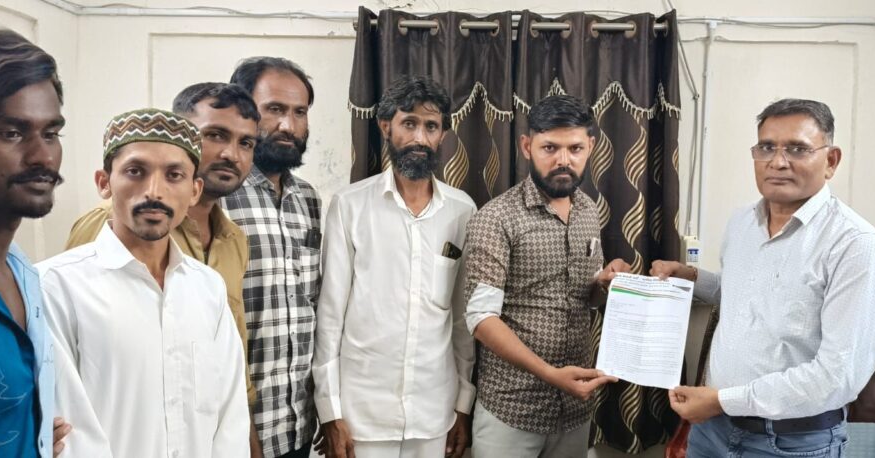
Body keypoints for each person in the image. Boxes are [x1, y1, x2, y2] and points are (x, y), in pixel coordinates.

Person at [652, 99, 875, 457]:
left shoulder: (858, 248)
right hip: (712, 432)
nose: (778, 161)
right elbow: (743, 295)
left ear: (831, 161)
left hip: (789, 443)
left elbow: (837, 378)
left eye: (798, 149)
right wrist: (690, 276)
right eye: (767, 147)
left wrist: (723, 400)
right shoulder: (742, 223)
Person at [63, 81, 264, 455]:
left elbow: (227, 383)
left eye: (245, 143)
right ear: (105, 183)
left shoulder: (226, 253)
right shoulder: (79, 259)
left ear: (193, 187)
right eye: (216, 135)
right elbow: (69, 407)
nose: (231, 154)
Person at [312, 76, 476, 458]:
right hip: (362, 414)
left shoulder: (462, 210)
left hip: (434, 412)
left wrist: (463, 404)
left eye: (431, 126)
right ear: (386, 126)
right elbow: (330, 316)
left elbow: (462, 321)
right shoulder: (350, 205)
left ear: (442, 135)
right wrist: (330, 410)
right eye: (409, 123)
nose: (420, 137)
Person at [463, 95, 629, 457]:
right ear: (527, 146)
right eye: (550, 148)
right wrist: (550, 374)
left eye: (575, 148)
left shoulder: (588, 211)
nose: (563, 160)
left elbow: (587, 297)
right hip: (512, 410)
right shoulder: (496, 218)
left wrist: (606, 282)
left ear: (591, 147)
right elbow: (481, 319)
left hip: (575, 410)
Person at [224, 56, 322, 458]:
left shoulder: (309, 199)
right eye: (275, 109)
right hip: (235, 430)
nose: (288, 125)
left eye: (299, 112)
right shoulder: (216, 197)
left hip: (298, 426)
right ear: (244, 113)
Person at [0, 27, 70, 457]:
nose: (42, 156)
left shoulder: (24, 275)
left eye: (51, 133)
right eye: (12, 132)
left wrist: (29, 434)